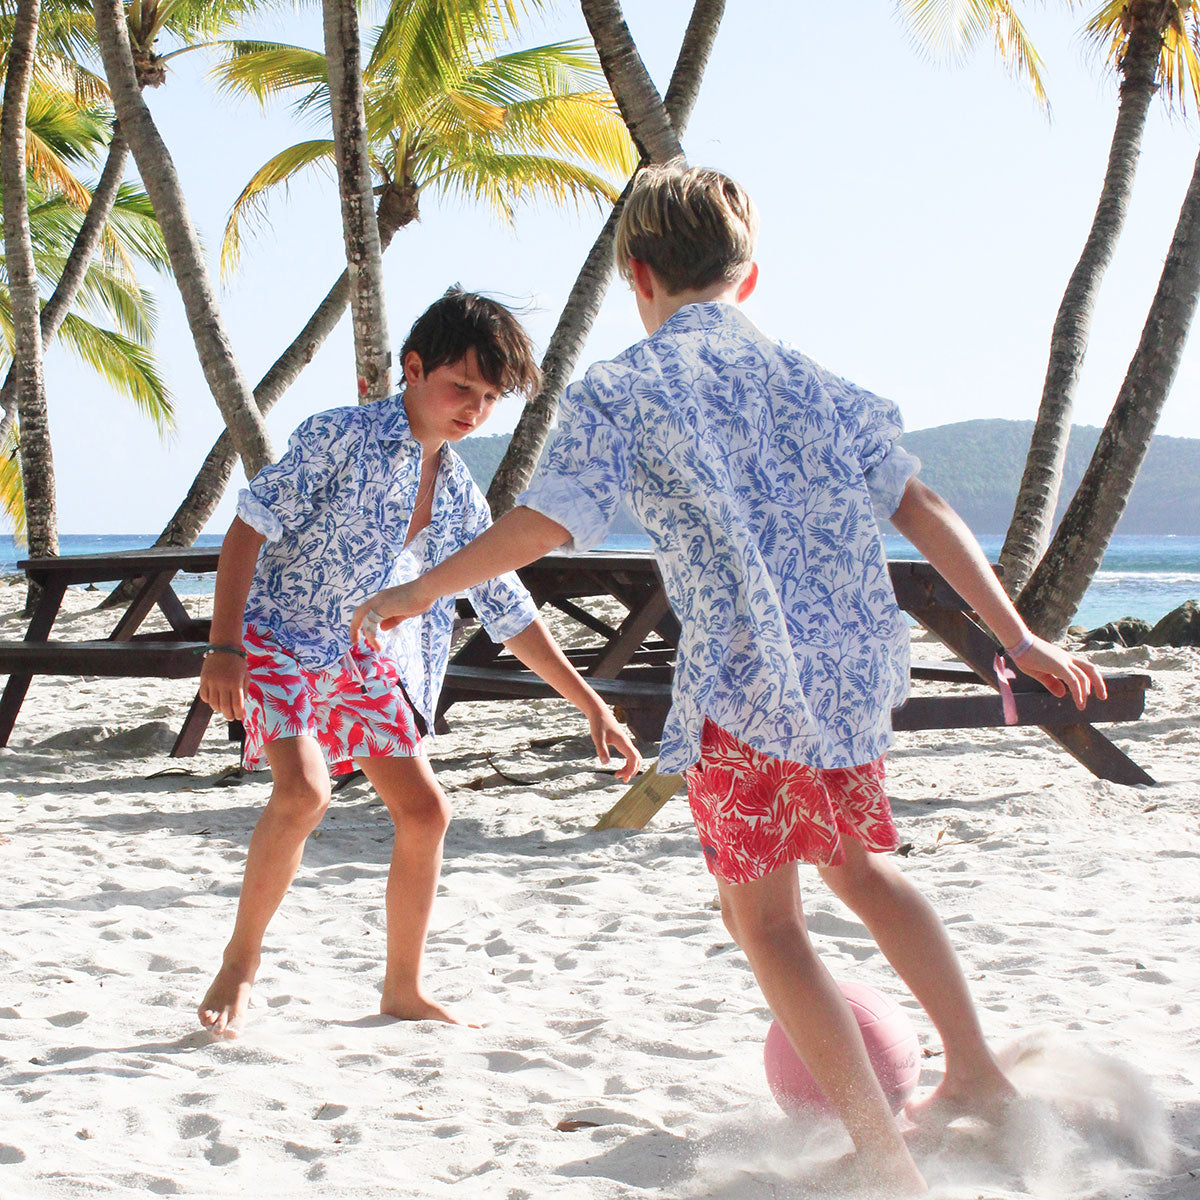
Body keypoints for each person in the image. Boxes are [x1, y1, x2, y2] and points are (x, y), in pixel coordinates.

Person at [348, 169, 1106, 1194]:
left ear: (636, 273)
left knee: (767, 922)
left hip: (746, 692)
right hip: (843, 686)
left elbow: (546, 523)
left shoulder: (627, 385)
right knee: (859, 869)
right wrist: (1017, 636)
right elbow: (921, 505)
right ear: (746, 280)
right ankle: (973, 1077)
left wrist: (416, 591)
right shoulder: (810, 380)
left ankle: (887, 1164)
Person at [196, 287, 640, 1039]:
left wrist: (589, 703)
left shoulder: (459, 489)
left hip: (357, 654)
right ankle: (241, 961)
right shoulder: (339, 435)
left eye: (490, 396)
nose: (473, 407)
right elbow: (247, 528)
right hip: (275, 637)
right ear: (413, 367)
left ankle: (402, 988)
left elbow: (505, 604)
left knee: (427, 812)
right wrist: (225, 646)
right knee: (304, 793)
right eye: (460, 386)